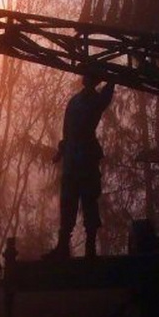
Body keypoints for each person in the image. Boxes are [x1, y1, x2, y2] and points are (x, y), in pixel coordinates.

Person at [49, 72, 115, 259]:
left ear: (93, 80)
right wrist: (61, 151)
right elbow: (67, 131)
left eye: (88, 75)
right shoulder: (76, 101)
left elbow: (106, 96)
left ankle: (89, 247)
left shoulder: (92, 101)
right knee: (70, 202)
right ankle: (64, 246)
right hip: (75, 158)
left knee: (88, 202)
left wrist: (112, 79)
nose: (83, 78)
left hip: (84, 158)